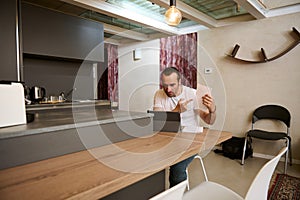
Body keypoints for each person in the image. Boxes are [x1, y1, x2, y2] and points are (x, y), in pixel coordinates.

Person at [153, 67, 216, 187]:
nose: (168, 89)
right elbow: (158, 122)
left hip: (190, 141)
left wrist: (212, 110)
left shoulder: (192, 94)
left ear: (180, 82)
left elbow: (209, 121)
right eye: (165, 85)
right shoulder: (159, 94)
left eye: (172, 85)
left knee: (177, 168)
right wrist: (177, 110)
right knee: (151, 161)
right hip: (166, 139)